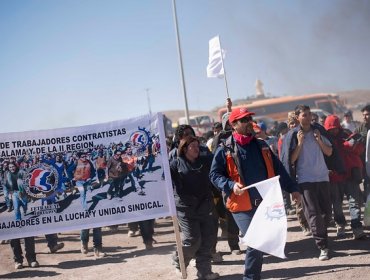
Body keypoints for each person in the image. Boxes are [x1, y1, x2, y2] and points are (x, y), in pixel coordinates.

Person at [209, 107, 300, 280]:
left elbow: (278, 169)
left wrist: (293, 189)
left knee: (260, 243)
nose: (249, 123)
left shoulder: (262, 145)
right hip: (240, 204)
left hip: (265, 202)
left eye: (249, 119)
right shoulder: (224, 149)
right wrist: (229, 184)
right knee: (256, 241)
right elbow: (214, 175)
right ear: (233, 124)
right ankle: (250, 277)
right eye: (244, 120)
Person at [281, 105, 337, 261]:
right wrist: (299, 144)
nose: (307, 117)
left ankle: (322, 236)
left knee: (326, 212)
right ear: (298, 117)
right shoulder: (293, 135)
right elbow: (290, 160)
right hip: (305, 179)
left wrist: (319, 140)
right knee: (313, 213)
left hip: (322, 177)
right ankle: (323, 246)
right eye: (304, 115)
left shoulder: (318, 131)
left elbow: (329, 152)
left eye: (309, 114)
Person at [170, 136, 219, 280]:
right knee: (193, 239)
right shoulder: (175, 165)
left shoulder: (205, 161)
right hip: (186, 209)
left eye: (198, 146)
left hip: (205, 206)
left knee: (207, 240)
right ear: (184, 149)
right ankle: (179, 261)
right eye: (193, 146)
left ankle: (204, 272)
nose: (197, 149)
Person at [324, 115, 366, 239]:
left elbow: (359, 151)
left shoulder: (347, 134)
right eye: (330, 129)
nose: (333, 131)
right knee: (336, 205)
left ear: (339, 126)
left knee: (354, 204)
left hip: (350, 176)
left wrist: (350, 145)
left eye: (335, 128)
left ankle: (357, 229)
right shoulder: (324, 139)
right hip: (334, 177)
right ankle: (340, 224)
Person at [355, 104, 370, 199]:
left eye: (367, 114)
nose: (364, 117)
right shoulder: (361, 128)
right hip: (365, 162)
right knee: (367, 185)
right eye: (363, 115)